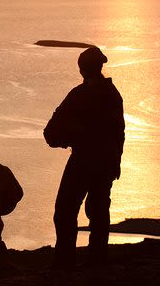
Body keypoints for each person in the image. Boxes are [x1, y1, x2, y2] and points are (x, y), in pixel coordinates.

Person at [43, 46, 125, 270]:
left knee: (66, 211)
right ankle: (95, 262)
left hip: (83, 160)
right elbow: (119, 132)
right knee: (96, 212)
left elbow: (50, 133)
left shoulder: (79, 95)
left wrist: (69, 138)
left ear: (82, 69)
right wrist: (115, 161)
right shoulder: (111, 95)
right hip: (104, 161)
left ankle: (66, 262)